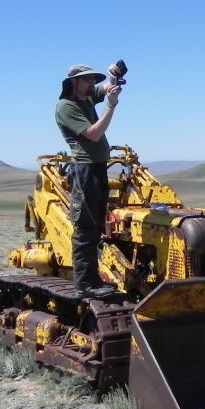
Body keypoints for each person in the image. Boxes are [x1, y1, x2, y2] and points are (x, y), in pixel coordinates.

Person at [55, 63, 123, 298]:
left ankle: (93, 281)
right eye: (87, 80)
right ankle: (84, 284)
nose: (92, 84)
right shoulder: (67, 106)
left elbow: (107, 88)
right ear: (74, 82)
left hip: (97, 168)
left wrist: (115, 77)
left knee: (95, 227)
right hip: (84, 170)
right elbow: (93, 135)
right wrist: (111, 107)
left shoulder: (86, 97)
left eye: (93, 80)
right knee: (85, 227)